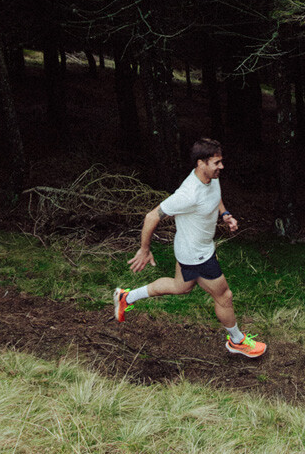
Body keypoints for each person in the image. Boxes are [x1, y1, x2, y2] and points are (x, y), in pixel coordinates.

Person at [113, 138, 266, 358]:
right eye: (217, 163)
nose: (221, 167)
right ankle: (237, 341)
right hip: (197, 255)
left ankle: (126, 297)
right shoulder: (188, 194)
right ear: (201, 163)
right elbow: (151, 216)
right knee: (224, 296)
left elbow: (215, 196)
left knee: (180, 287)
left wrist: (225, 215)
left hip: (192, 249)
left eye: (221, 162)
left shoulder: (211, 179)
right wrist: (144, 250)